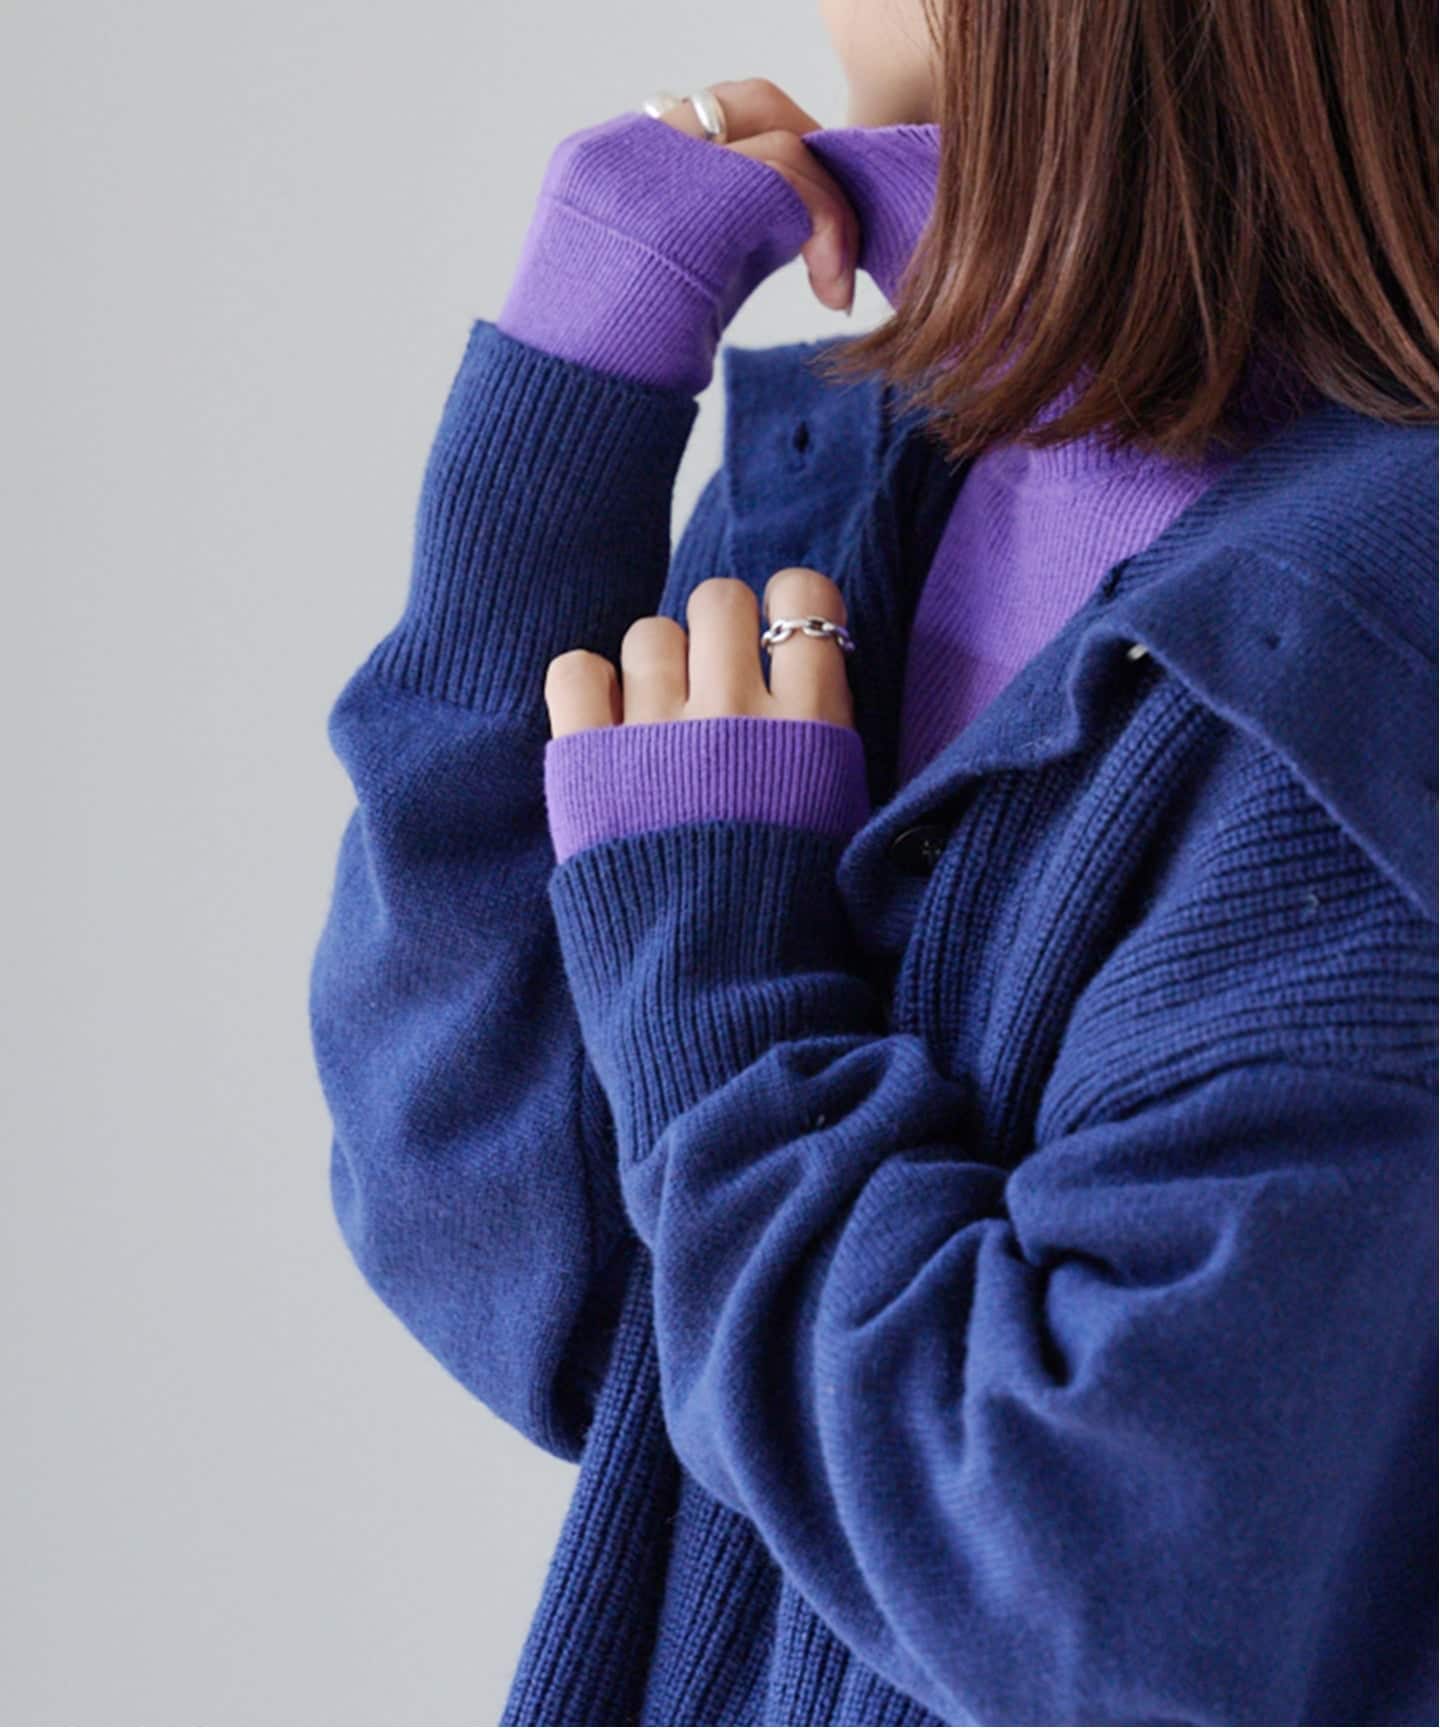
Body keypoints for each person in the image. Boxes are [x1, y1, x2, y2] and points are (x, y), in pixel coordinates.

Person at [308, 1, 1438, 1721]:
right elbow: (532, 1261)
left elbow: (1113, 1595)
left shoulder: (1371, 655)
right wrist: (568, 403)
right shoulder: (893, 466)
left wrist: (720, 984)